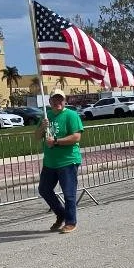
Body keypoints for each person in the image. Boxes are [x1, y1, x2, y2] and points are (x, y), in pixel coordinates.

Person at [37, 89, 84, 233]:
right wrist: (42, 128)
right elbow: (36, 137)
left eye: (60, 100)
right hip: (50, 162)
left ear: (65, 101)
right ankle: (61, 214)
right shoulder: (46, 116)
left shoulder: (71, 115)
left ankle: (71, 222)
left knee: (68, 193)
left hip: (68, 160)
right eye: (54, 100)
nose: (57, 102)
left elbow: (76, 137)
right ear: (49, 101)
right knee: (44, 189)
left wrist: (56, 141)